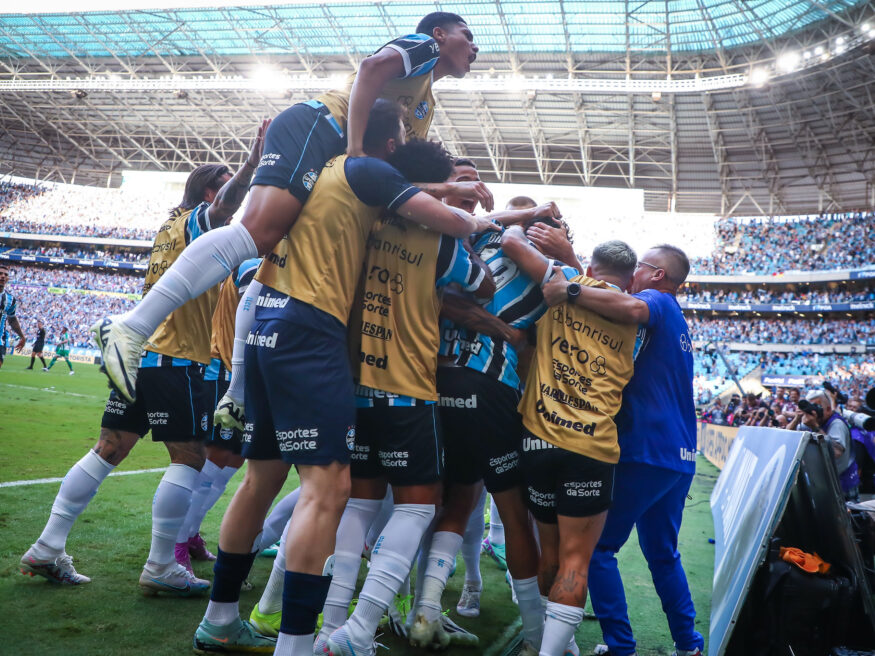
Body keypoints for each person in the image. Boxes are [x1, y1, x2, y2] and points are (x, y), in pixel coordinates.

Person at [191, 100, 495, 656]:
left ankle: (222, 617)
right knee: (329, 489)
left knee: (263, 480)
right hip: (319, 336)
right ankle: (302, 643)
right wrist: (479, 214)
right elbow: (469, 261)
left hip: (264, 324)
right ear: (391, 147)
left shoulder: (320, 180)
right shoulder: (376, 182)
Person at [91, 12, 491, 407]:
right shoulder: (422, 47)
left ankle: (237, 393)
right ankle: (132, 327)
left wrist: (441, 187)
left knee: (273, 260)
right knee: (257, 233)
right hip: (320, 127)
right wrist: (353, 150)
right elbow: (370, 69)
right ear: (440, 34)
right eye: (467, 35)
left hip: (332, 162)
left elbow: (388, 176)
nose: (474, 46)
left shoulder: (425, 105)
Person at [20, 126, 265, 591]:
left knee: (108, 448)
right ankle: (160, 567)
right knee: (189, 457)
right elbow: (225, 207)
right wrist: (252, 165)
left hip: (137, 354)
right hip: (176, 356)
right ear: (211, 191)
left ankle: (48, 547)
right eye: (230, 184)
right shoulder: (200, 219)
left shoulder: (167, 226)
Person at [321, 139, 495, 656]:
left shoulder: (364, 216)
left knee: (359, 503)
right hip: (407, 385)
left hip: (352, 382)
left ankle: (332, 625)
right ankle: (359, 630)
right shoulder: (440, 239)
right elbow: (481, 285)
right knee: (419, 507)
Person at [410, 171, 577, 653]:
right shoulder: (553, 280)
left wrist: (526, 214)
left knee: (446, 504)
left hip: (434, 382)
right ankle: (533, 637)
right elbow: (537, 344)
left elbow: (484, 229)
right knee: (510, 514)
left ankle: (425, 609)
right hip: (490, 388)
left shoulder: (470, 237)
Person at [563, 245, 704, 656]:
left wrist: (571, 287)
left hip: (646, 448)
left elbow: (629, 309)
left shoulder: (655, 300)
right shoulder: (679, 321)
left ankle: (620, 646)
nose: (630, 277)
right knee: (663, 555)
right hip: (680, 458)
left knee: (599, 548)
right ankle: (689, 645)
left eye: (639, 267)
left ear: (657, 274)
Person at [520, 241, 639, 656]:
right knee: (576, 560)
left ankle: (558, 640)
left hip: (538, 437)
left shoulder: (565, 280)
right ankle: (554, 649)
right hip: (591, 445)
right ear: (631, 278)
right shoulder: (636, 315)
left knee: (549, 552)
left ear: (591, 266)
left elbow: (515, 245)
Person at [173, 257, 262, 574]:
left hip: (244, 374)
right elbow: (250, 308)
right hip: (222, 371)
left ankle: (191, 532)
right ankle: (177, 543)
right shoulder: (255, 261)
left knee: (232, 461)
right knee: (212, 460)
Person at [0, 263, 26, 369]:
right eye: (0, 273)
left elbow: (12, 319)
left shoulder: (11, 299)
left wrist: (22, 336)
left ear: (8, 278)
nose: (3, 276)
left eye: (5, 274)